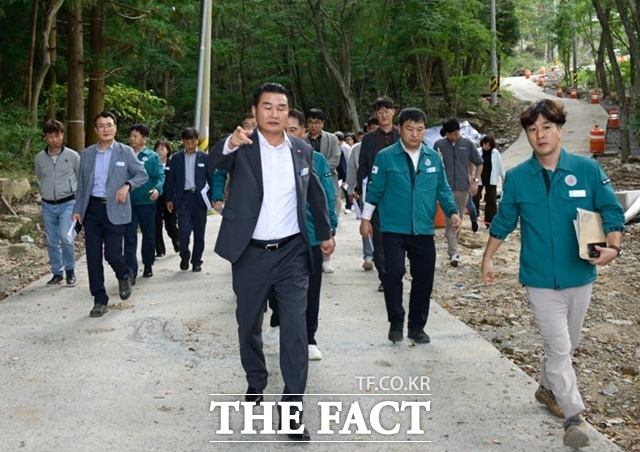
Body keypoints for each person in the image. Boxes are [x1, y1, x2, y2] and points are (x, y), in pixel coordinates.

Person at [481, 99, 624, 449]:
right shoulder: (516, 178)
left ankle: (547, 388)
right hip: (539, 278)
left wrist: (614, 248)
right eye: (532, 129)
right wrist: (487, 259)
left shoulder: (587, 170)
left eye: (546, 127)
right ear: (527, 135)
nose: (539, 135)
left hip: (580, 275)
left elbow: (610, 209)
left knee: (568, 344)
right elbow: (503, 222)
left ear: (559, 129)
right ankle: (574, 416)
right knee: (559, 347)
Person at [209, 82, 334, 441]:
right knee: (249, 324)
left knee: (295, 328)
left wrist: (324, 233)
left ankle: (292, 410)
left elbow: (314, 194)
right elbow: (213, 162)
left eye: (281, 107)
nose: (275, 113)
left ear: (288, 112)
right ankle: (256, 380)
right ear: (255, 110)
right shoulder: (242, 147)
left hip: (292, 253)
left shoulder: (301, 149)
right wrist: (231, 142)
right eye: (267, 106)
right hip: (249, 253)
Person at [360, 107, 461, 344]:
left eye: (420, 129)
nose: (415, 134)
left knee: (424, 278)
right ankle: (396, 321)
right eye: (409, 129)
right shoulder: (386, 156)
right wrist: (366, 219)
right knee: (393, 273)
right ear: (400, 129)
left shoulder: (433, 157)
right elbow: (375, 189)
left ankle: (417, 326)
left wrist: (453, 212)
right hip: (393, 228)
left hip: (423, 229)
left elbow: (443, 189)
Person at [262, 108, 338, 361]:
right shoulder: (267, 158)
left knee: (311, 288)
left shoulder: (315, 159)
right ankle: (277, 318)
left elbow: (327, 195)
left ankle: (309, 338)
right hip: (278, 237)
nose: (288, 134)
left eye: (293, 129)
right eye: (284, 129)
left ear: (304, 132)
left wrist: (330, 228)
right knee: (274, 286)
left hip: (312, 236)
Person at [72, 111, 148, 318]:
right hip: (92, 210)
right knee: (93, 257)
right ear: (96, 130)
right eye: (101, 126)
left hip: (116, 208)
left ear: (115, 128)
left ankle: (124, 274)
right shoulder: (86, 154)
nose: (105, 129)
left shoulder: (125, 152)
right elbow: (82, 186)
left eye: (109, 125)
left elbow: (142, 174)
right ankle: (99, 299)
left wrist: (127, 185)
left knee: (113, 254)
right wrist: (77, 210)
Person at [356, 96, 400, 291]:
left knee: (399, 236)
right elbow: (363, 165)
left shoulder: (402, 134)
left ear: (393, 112)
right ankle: (385, 276)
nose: (383, 114)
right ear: (375, 114)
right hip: (376, 193)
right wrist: (360, 190)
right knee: (379, 237)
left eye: (387, 110)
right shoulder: (369, 139)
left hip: (400, 194)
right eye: (379, 111)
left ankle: (397, 272)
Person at [35, 119, 80, 287]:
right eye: (50, 136)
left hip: (68, 202)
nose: (54, 139)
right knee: (52, 240)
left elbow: (79, 177)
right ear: (45, 137)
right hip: (47, 204)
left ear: (62, 135)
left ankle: (70, 270)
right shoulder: (39, 158)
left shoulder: (73, 156)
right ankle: (56, 273)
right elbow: (41, 176)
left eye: (57, 135)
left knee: (65, 237)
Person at [433, 118, 483, 267]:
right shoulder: (439, 145)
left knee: (458, 218)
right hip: (445, 188)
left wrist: (475, 180)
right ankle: (453, 252)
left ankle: (454, 247)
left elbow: (479, 163)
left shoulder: (468, 144)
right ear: (445, 133)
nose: (453, 137)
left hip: (463, 187)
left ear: (459, 130)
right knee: (449, 219)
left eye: (455, 133)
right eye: (450, 134)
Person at [164, 127, 213, 273]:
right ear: (183, 142)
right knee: (184, 231)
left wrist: (214, 198)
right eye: (187, 141)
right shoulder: (177, 158)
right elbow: (170, 180)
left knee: (199, 232)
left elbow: (211, 178)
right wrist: (168, 199)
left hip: (199, 198)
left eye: (193, 141)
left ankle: (196, 261)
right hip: (183, 198)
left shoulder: (204, 157)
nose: (190, 144)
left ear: (197, 140)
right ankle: (184, 255)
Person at [124, 124, 165, 283]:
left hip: (147, 203)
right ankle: (131, 270)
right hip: (128, 203)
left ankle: (148, 263)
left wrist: (157, 190)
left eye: (136, 136)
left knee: (148, 235)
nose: (132, 139)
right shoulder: (124, 154)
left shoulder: (152, 157)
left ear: (144, 139)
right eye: (131, 136)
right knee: (129, 236)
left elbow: (160, 177)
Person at [305, 108, 341, 273]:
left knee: (328, 218)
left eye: (317, 122)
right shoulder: (301, 138)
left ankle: (326, 258)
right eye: (311, 122)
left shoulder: (331, 138)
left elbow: (336, 158)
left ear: (323, 123)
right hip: (306, 183)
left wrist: (321, 167)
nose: (314, 125)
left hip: (328, 179)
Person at [347, 117, 378, 271]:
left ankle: (380, 253)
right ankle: (368, 255)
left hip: (386, 193)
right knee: (366, 222)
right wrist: (351, 189)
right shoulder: (358, 148)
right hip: (365, 191)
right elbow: (353, 169)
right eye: (372, 128)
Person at [153, 140, 180, 257]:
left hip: (169, 198)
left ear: (168, 151)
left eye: (162, 149)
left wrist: (173, 197)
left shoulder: (173, 164)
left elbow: (176, 182)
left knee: (171, 224)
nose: (160, 151)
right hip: (155, 197)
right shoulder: (153, 163)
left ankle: (177, 241)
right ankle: (159, 249)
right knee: (156, 224)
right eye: (158, 149)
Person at [472, 135, 505, 226]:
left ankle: (490, 221)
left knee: (491, 199)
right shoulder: (477, 151)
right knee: (475, 196)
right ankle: (474, 216)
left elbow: (500, 164)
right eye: (485, 144)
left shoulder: (495, 153)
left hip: (491, 176)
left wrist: (502, 175)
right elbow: (472, 164)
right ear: (482, 143)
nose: (486, 146)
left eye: (489, 145)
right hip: (479, 176)